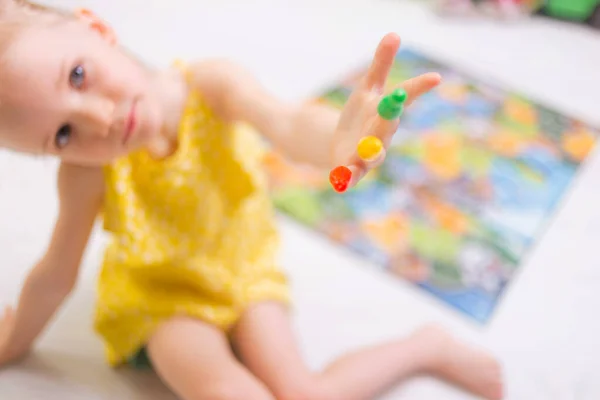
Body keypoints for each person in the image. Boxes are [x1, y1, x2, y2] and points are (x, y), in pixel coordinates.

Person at [0, 1, 504, 399]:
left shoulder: (210, 85)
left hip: (244, 266)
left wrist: (339, 140)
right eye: (62, 134)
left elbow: (286, 125)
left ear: (96, 27)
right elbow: (56, 271)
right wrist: (13, 341)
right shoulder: (86, 172)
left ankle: (424, 346)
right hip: (160, 294)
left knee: (303, 393)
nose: (99, 119)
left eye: (78, 76)